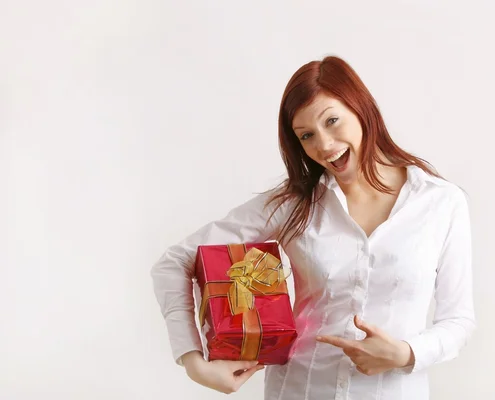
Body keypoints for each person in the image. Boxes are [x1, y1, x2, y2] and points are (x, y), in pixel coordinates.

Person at [150, 55, 475, 399]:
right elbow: (174, 262)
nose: (323, 145)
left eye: (332, 121)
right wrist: (193, 360)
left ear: (362, 109)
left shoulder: (440, 202)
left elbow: (459, 321)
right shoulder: (292, 205)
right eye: (307, 135)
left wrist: (406, 353)